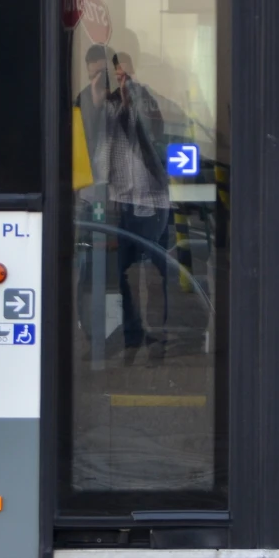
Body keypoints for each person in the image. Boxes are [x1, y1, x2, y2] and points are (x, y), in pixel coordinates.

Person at [77, 43, 173, 363]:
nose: (115, 80)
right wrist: (95, 99)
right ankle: (133, 337)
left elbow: (153, 127)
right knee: (122, 274)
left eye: (122, 73)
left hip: (151, 199)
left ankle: (158, 337)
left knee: (153, 273)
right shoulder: (97, 103)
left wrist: (129, 88)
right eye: (109, 74)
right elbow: (91, 140)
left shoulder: (143, 96)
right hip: (118, 201)